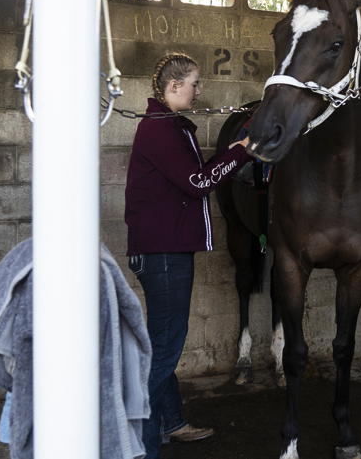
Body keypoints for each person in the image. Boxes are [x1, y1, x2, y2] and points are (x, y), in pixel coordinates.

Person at [125, 52, 252, 459]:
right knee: (164, 349)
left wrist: (235, 149)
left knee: (162, 344)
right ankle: (139, 446)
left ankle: (170, 422)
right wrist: (242, 152)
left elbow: (196, 175)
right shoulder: (159, 129)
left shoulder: (171, 126)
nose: (199, 91)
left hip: (165, 250)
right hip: (163, 254)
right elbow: (198, 183)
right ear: (174, 85)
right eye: (195, 84)